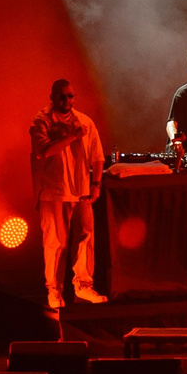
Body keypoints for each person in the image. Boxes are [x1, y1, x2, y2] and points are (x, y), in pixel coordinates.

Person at [30, 77, 107, 311]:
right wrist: (72, 136)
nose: (67, 100)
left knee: (85, 238)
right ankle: (54, 291)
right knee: (56, 244)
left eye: (70, 96)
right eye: (62, 96)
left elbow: (97, 156)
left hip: (81, 190)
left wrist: (96, 184)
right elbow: (43, 152)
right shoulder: (42, 121)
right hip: (53, 192)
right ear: (52, 97)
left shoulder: (84, 122)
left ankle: (83, 286)